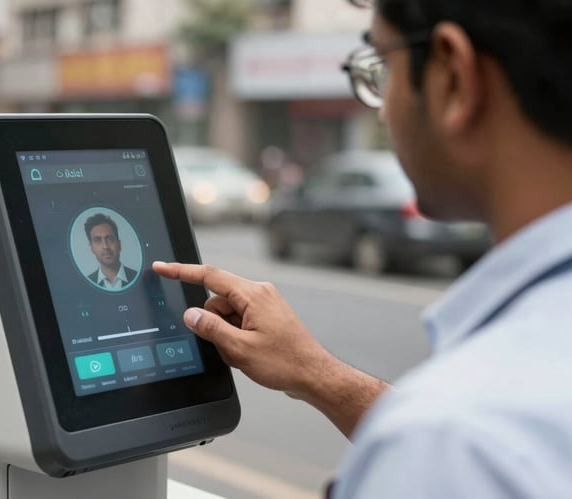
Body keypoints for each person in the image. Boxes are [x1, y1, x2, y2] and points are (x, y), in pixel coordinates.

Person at [154, 0, 572, 497]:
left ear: (453, 77)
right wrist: (317, 373)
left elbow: (449, 442)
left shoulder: (455, 442)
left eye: (383, 69)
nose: (383, 106)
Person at [84, 213, 137, 290]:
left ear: (119, 244)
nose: (105, 246)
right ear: (92, 248)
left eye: (110, 239)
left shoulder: (139, 278)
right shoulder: (85, 285)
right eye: (98, 240)